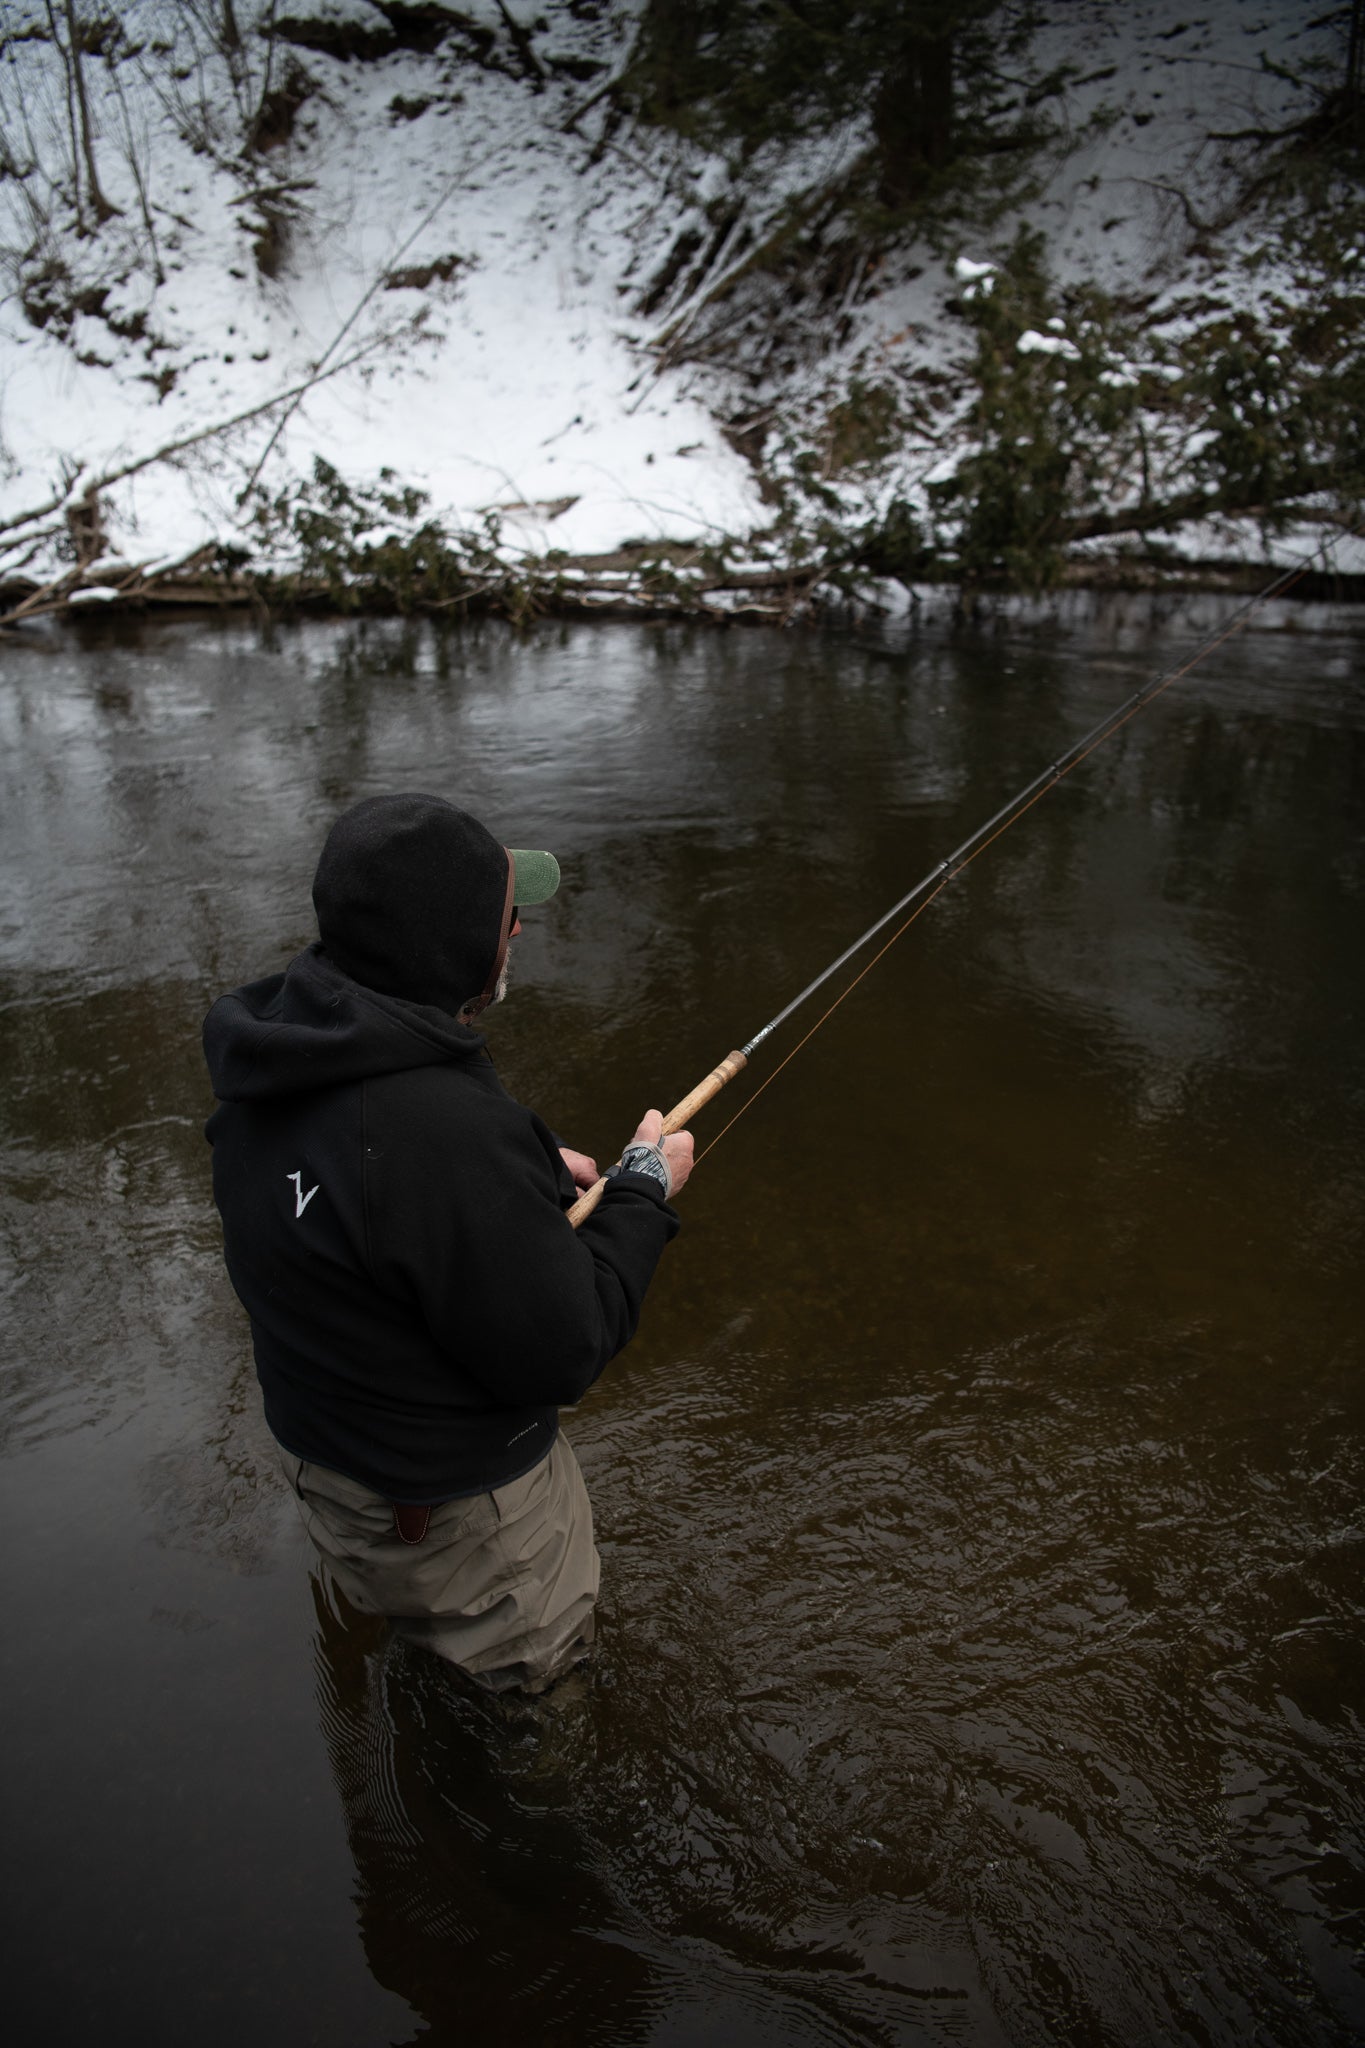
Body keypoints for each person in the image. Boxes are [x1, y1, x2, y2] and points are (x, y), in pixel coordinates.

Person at [202, 791, 693, 1693]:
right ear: (455, 945)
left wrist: (526, 1165)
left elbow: (368, 1191)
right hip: (460, 1523)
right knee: (536, 1722)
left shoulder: (271, 1051)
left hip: (334, 1473)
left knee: (415, 1661)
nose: (518, 933)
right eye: (507, 918)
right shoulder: (442, 1135)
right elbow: (565, 1348)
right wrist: (641, 1194)